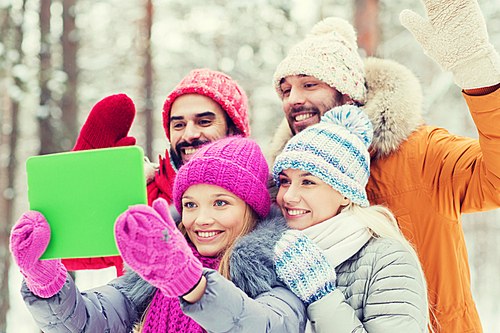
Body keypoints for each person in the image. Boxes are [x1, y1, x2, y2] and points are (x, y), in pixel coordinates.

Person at [268, 0, 500, 331]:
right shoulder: (283, 185)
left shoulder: (420, 153)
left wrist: (478, 72)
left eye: (309, 84)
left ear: (348, 94)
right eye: (285, 89)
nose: (292, 99)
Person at [10, 136, 310, 332]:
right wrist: (45, 280)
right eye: (190, 204)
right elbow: (90, 321)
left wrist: (189, 281)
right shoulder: (154, 272)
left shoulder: (279, 269)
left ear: (253, 208)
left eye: (221, 203)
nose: (202, 219)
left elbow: (266, 326)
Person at [236, 105, 429, 332]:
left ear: (346, 194)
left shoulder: (388, 260)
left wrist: (323, 298)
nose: (288, 196)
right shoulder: (268, 251)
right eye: (285, 181)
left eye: (308, 182)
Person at [61, 68, 251, 276]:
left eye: (204, 122)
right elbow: (65, 252)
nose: (189, 134)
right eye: (178, 124)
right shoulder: (140, 200)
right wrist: (88, 177)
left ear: (234, 130)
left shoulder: (261, 203)